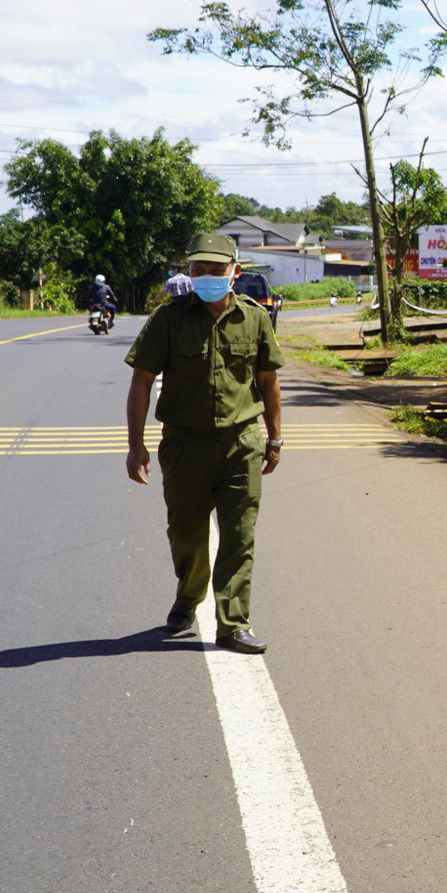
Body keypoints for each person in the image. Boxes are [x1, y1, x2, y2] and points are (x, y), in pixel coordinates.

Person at [123, 232, 285, 655]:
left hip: (242, 443)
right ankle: (189, 596)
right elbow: (141, 380)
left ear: (236, 272)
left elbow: (268, 381)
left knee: (239, 536)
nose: (208, 276)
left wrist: (275, 438)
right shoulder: (168, 319)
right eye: (199, 270)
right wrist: (135, 444)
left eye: (217, 270)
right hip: (184, 445)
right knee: (187, 534)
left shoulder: (255, 318)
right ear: (188, 272)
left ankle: (233, 623)